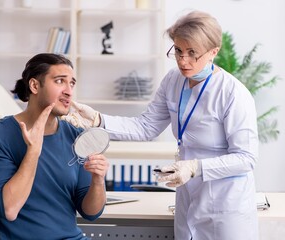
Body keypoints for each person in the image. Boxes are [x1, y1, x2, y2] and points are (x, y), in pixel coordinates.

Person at [62, 10, 259, 240]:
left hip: (226, 203)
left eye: (192, 53)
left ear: (213, 52)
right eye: (178, 50)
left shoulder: (233, 93)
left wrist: (195, 167)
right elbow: (146, 127)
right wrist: (98, 120)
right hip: (188, 195)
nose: (183, 61)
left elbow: (246, 158)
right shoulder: (173, 80)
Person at [0, 53, 109, 240]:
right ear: (34, 85)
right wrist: (33, 151)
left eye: (72, 83)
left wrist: (98, 180)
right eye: (60, 81)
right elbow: (9, 209)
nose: (69, 91)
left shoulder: (76, 135)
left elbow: (91, 213)